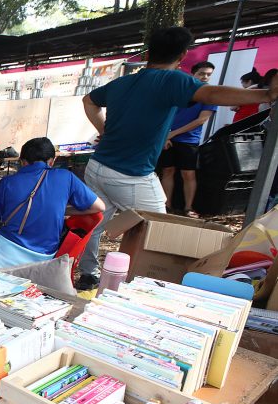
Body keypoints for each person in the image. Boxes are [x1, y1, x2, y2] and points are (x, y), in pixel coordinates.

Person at [77, 27, 278, 290]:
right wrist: (265, 94)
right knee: (160, 233)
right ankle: (145, 284)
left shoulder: (124, 82)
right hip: (132, 174)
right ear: (183, 55)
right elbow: (211, 94)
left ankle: (89, 274)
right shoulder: (172, 80)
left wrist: (105, 130)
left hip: (98, 166)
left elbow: (88, 101)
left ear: (148, 52)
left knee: (95, 224)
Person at [0, 137, 104, 264]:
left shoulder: (7, 183)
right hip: (44, 259)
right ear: (52, 161)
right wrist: (61, 210)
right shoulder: (66, 177)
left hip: (5, 256)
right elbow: (99, 207)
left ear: (23, 162)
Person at [157, 61, 216, 218]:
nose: (205, 77)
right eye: (202, 73)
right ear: (193, 74)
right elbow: (165, 113)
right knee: (167, 171)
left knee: (188, 174)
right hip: (168, 137)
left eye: (208, 74)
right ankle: (166, 205)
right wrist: (165, 134)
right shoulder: (180, 91)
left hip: (189, 141)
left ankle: (188, 208)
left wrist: (173, 133)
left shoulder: (210, 96)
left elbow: (201, 120)